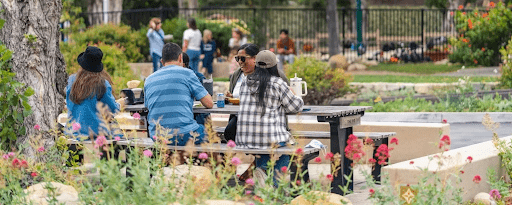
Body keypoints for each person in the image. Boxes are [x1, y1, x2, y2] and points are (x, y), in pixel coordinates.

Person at [236, 50, 304, 186]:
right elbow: (296, 107)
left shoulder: (245, 81)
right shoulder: (277, 83)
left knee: (264, 148)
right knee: (295, 148)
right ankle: (272, 180)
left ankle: (261, 171)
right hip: (267, 137)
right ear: (274, 66)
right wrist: (293, 94)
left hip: (245, 138)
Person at [144, 43, 213, 146]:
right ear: (180, 58)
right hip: (183, 135)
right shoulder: (187, 73)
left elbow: (148, 107)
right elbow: (209, 103)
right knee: (210, 133)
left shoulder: (148, 79)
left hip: (157, 136)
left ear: (162, 62)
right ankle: (201, 160)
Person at [224, 44, 289, 142]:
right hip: (241, 117)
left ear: (255, 58)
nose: (240, 62)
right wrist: (231, 97)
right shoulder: (237, 75)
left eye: (243, 58)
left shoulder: (274, 74)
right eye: (237, 59)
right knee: (229, 133)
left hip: (267, 118)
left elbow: (288, 98)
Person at [66, 46, 120, 138]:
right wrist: (119, 104)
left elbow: (69, 104)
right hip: (97, 134)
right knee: (118, 134)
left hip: (73, 132)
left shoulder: (71, 81)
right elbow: (113, 110)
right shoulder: (102, 83)